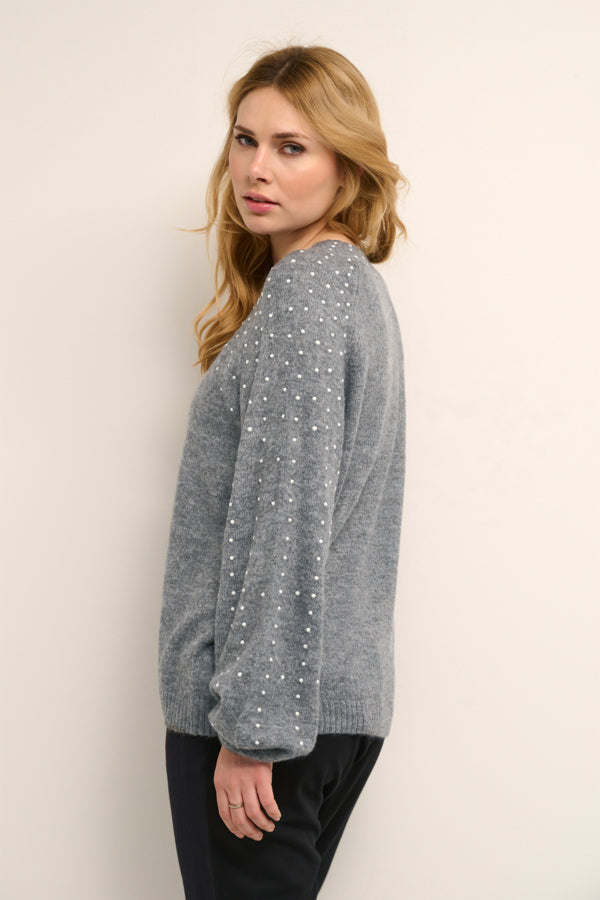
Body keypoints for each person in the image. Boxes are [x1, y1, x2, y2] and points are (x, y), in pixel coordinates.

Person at [158, 44, 407, 900]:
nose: (256, 169)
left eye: (291, 147)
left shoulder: (307, 295)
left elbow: (286, 516)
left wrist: (252, 730)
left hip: (269, 721)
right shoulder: (347, 288)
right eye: (245, 139)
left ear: (347, 167)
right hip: (327, 708)